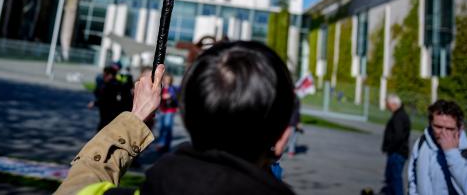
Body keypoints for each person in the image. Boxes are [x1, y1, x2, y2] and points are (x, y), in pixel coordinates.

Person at [55, 41, 296, 195]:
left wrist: (136, 116)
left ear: (187, 115)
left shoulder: (157, 185)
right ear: (284, 135)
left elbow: (77, 189)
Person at [408, 99, 467, 194]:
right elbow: (412, 179)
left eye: (450, 129)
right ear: (430, 124)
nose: (443, 133)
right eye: (438, 127)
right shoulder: (422, 142)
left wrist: (452, 154)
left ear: (460, 129)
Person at [381, 94, 411, 195]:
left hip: (397, 153)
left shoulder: (399, 116)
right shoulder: (399, 115)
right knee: (391, 178)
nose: (387, 106)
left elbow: (398, 136)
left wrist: (389, 147)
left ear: (394, 104)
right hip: (397, 152)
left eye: (388, 104)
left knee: (394, 179)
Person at [155, 72, 178, 153]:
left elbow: (175, 95)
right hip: (162, 110)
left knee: (167, 127)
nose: (167, 81)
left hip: (170, 110)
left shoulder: (172, 88)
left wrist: (170, 95)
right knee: (162, 128)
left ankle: (165, 144)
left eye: (168, 79)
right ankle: (162, 143)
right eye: (165, 79)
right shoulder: (161, 87)